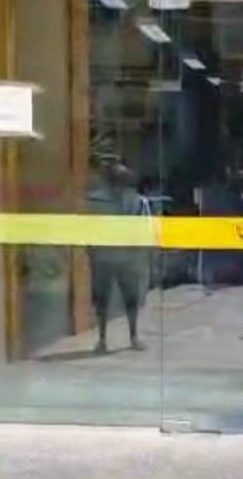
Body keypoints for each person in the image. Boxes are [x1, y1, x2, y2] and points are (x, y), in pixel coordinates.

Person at [86, 136, 150, 354]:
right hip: (113, 257)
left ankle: (118, 338)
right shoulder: (100, 200)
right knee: (106, 299)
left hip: (118, 257)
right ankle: (112, 338)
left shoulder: (132, 201)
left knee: (124, 298)